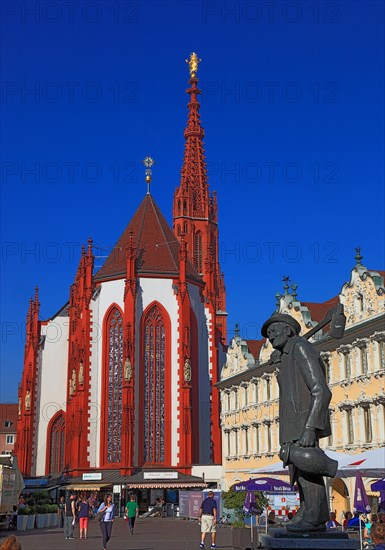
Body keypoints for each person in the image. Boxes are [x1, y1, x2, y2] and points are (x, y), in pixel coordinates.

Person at [261, 313, 336, 533]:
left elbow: (321, 390)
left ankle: (314, 517)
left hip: (303, 422)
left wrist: (311, 427)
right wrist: (281, 358)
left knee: (308, 469)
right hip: (293, 424)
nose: (270, 337)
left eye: (273, 331)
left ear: (288, 330)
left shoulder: (301, 348)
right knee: (299, 472)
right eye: (268, 335)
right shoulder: (289, 352)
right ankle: (307, 510)